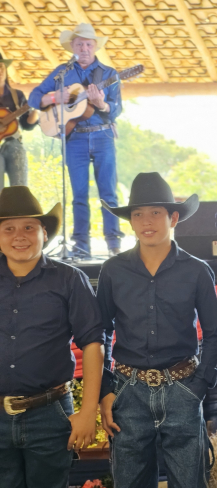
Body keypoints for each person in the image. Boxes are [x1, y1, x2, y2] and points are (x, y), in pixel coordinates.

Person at [97, 172, 217, 488]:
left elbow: (213, 333)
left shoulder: (197, 270)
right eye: (138, 214)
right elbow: (101, 331)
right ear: (130, 221)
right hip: (129, 390)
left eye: (155, 212)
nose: (146, 221)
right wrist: (106, 389)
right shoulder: (113, 271)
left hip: (182, 387)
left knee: (190, 482)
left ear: (173, 218)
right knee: (130, 482)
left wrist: (199, 386)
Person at [0, 186, 104, 487]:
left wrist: (88, 412)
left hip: (49, 413)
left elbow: (93, 343)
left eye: (29, 227)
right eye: (8, 228)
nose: (19, 236)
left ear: (44, 233)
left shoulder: (69, 279)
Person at [28, 23, 123, 257]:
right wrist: (54, 97)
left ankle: (114, 245)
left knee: (108, 193)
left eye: (88, 44)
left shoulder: (109, 74)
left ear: (95, 46)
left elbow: (116, 110)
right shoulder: (62, 72)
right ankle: (81, 246)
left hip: (102, 135)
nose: (84, 48)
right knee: (79, 195)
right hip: (74, 137)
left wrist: (101, 104)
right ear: (72, 46)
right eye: (79, 44)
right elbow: (34, 97)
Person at [0, 54, 39, 188]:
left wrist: (37, 110)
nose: (0, 71)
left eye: (2, 67)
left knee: (20, 186)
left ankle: (19, 197)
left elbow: (27, 125)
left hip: (13, 143)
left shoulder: (17, 95)